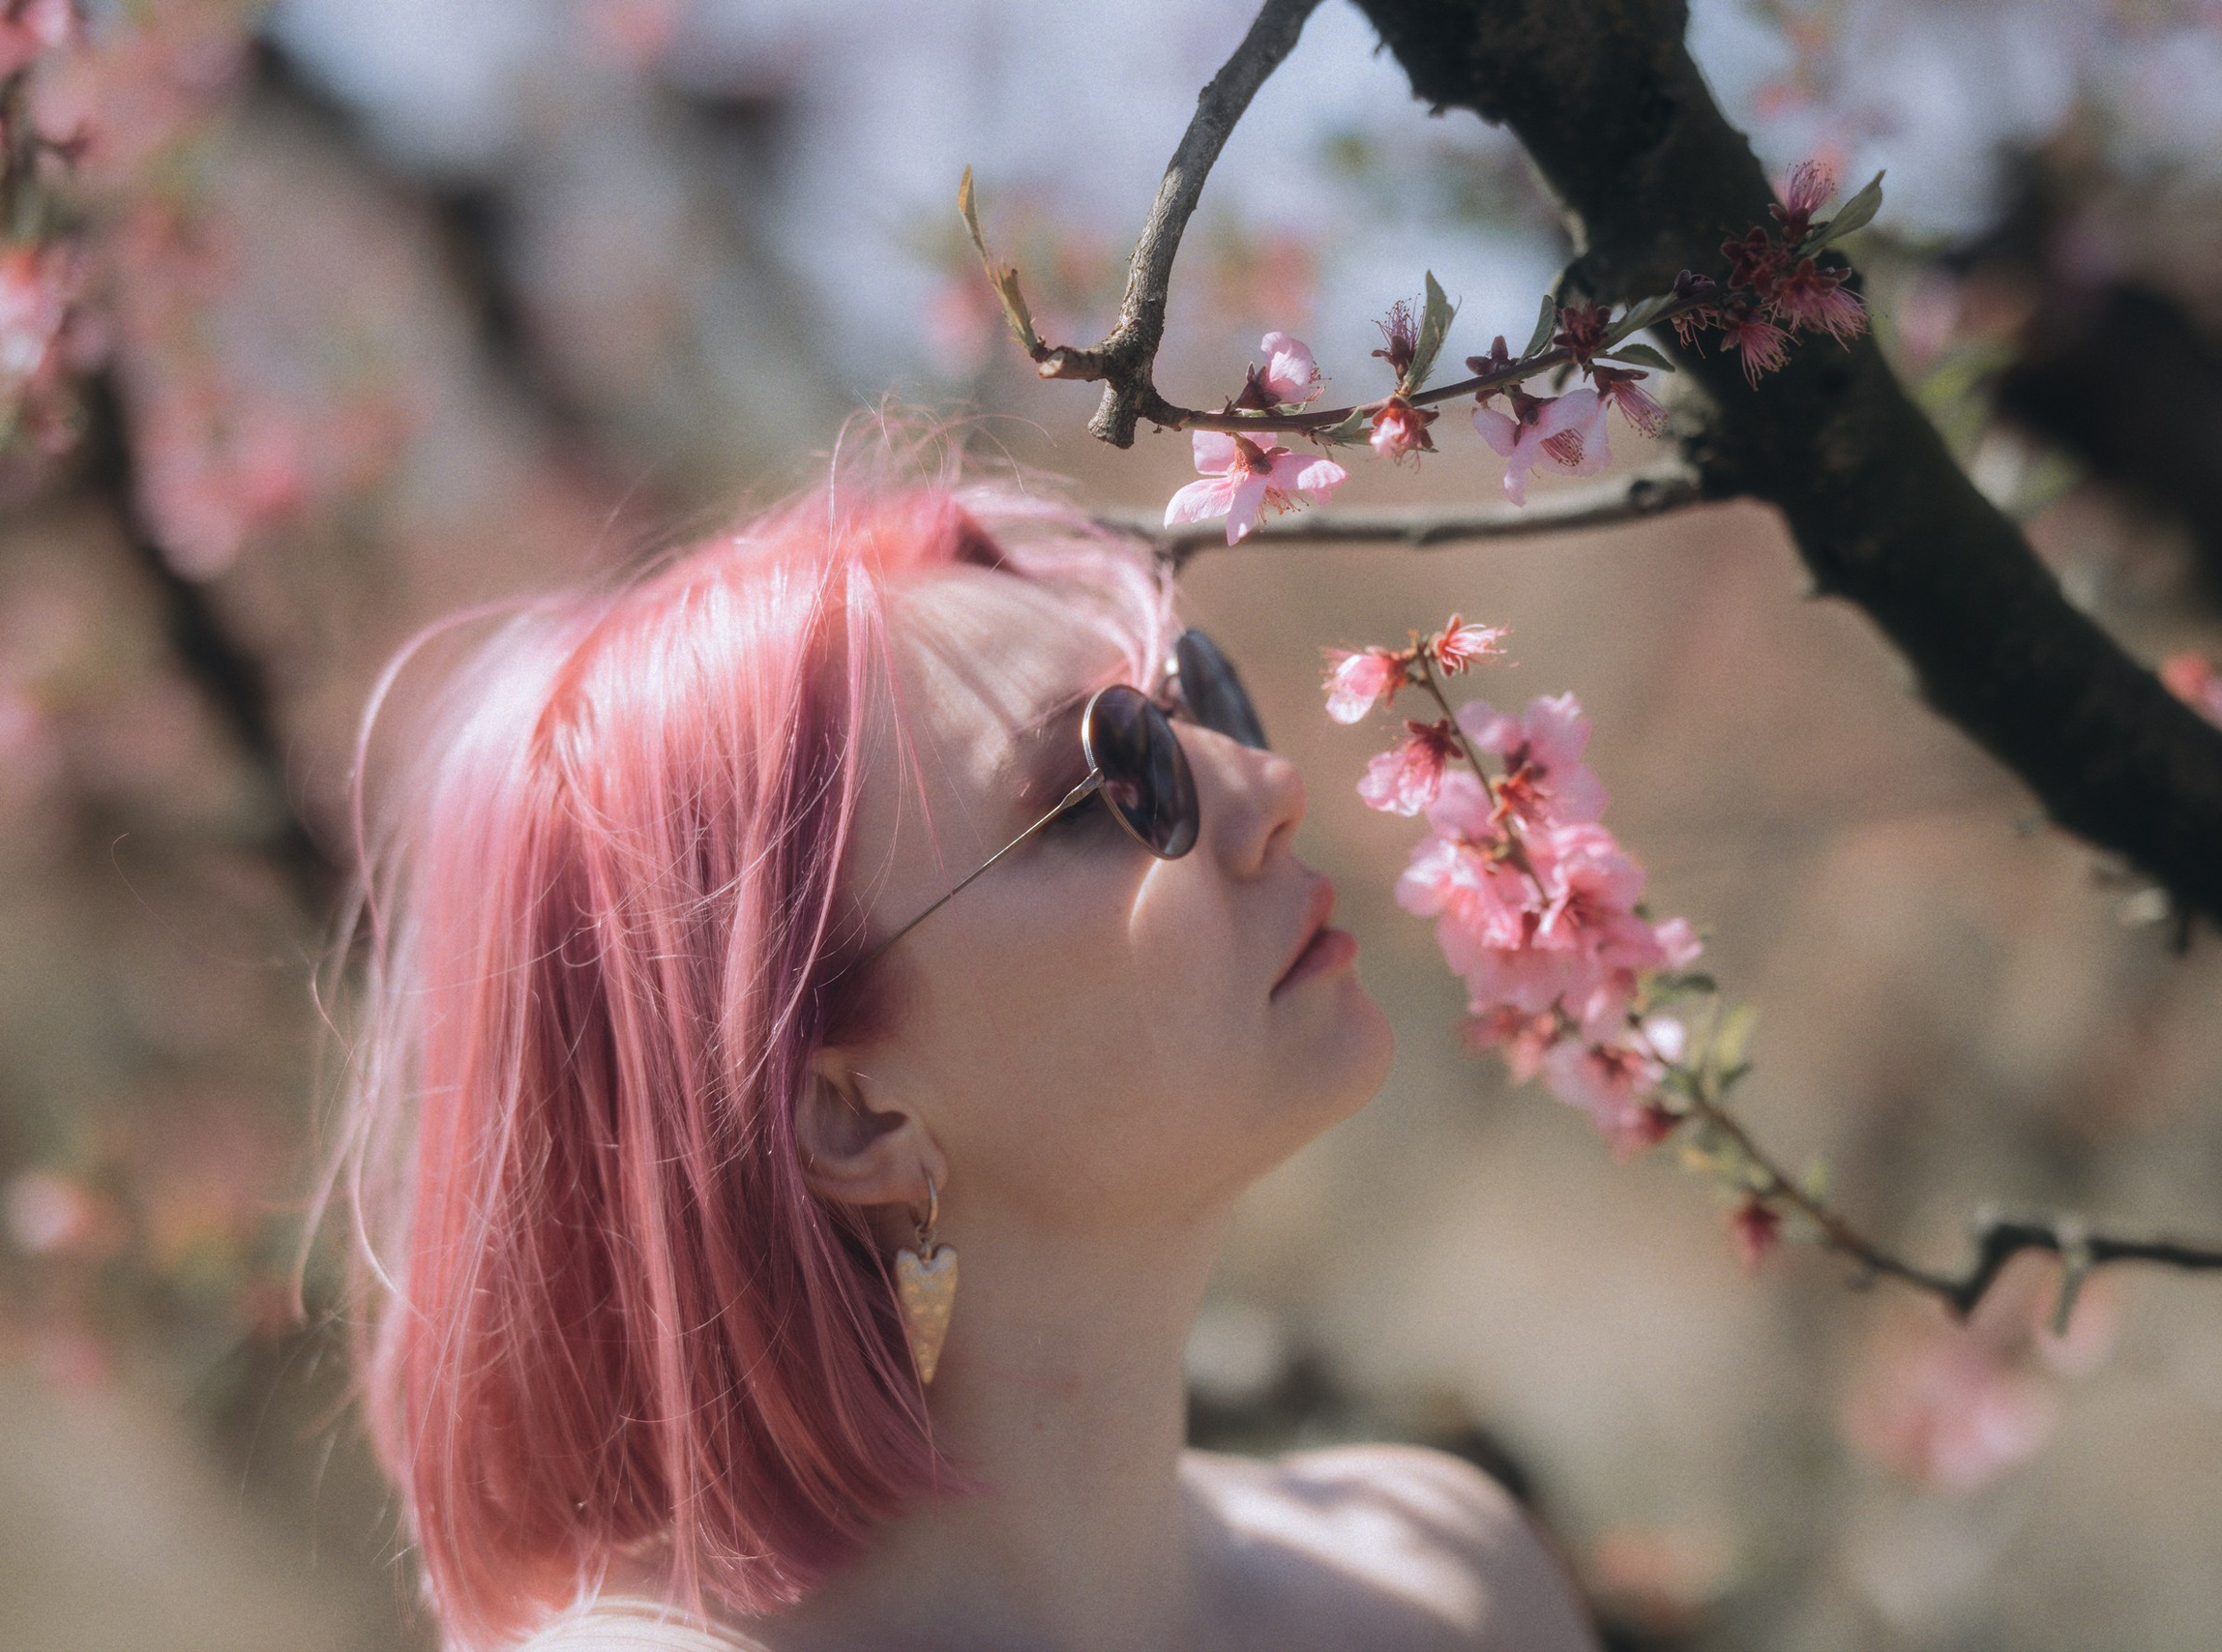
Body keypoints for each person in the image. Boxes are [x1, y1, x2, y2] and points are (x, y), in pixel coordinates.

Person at [327, 455, 1600, 1652]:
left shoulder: (1452, 1580)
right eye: (1110, 789)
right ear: (847, 1113)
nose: (1267, 787)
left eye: (1193, 701)